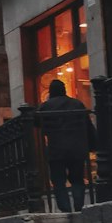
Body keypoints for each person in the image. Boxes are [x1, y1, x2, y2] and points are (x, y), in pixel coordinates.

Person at [39, 78, 95, 211]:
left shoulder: (46, 106)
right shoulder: (77, 104)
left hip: (56, 149)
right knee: (77, 179)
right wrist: (92, 144)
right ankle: (79, 207)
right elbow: (87, 125)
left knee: (59, 181)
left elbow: (36, 122)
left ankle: (65, 209)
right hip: (77, 148)